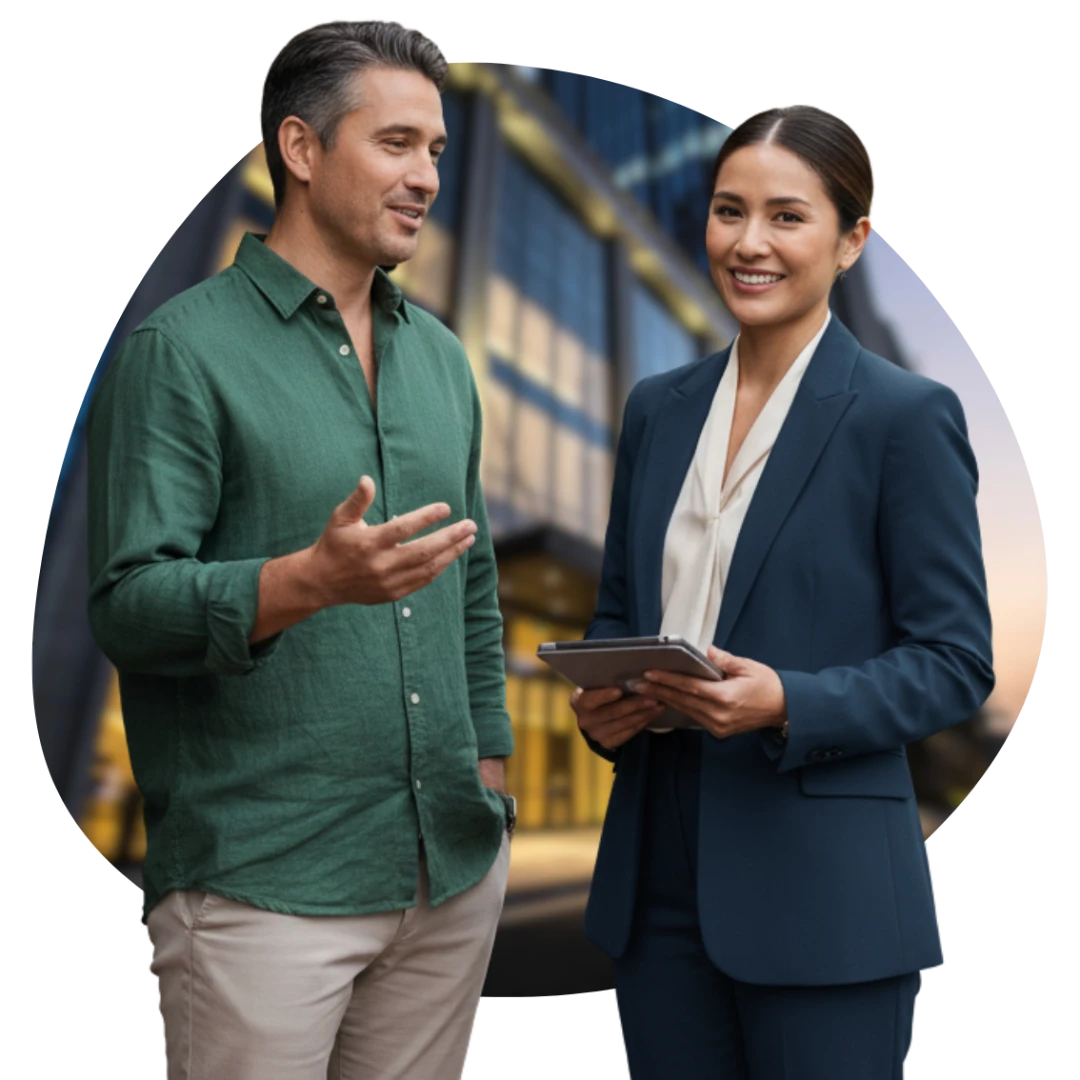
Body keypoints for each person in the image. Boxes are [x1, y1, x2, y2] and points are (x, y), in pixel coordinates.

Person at [85, 18, 515, 1080]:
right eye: (397, 144)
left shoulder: (446, 362)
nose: (425, 177)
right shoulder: (181, 352)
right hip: (263, 891)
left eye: (438, 152)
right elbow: (126, 606)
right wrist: (301, 584)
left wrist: (491, 780)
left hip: (447, 876)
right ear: (302, 148)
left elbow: (473, 590)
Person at [571, 103, 993, 1078]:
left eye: (786, 217)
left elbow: (955, 660)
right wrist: (604, 705)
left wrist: (789, 702)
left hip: (824, 894)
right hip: (656, 880)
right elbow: (620, 612)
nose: (748, 243)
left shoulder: (904, 417)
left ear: (853, 240)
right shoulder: (657, 411)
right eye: (728, 211)